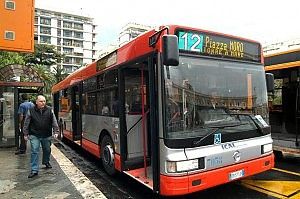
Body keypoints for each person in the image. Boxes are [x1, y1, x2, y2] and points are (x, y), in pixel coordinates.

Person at [23, 95, 59, 178]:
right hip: (34, 134)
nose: (43, 103)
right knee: (35, 150)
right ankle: (34, 170)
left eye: (44, 101)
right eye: (41, 101)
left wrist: (56, 131)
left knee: (47, 149)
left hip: (46, 134)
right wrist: (25, 133)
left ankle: (46, 161)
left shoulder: (49, 110)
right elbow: (26, 122)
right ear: (36, 102)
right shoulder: (31, 110)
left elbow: (54, 121)